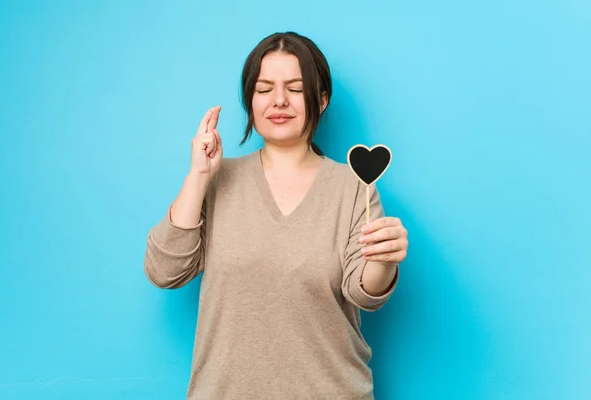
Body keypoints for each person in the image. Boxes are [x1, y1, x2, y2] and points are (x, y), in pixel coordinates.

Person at [144, 31, 409, 399]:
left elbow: (363, 292)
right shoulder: (217, 181)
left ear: (321, 99)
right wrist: (198, 177)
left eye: (296, 88)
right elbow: (164, 272)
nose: (279, 100)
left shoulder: (352, 187)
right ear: (250, 101)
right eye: (264, 88)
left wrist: (385, 259)